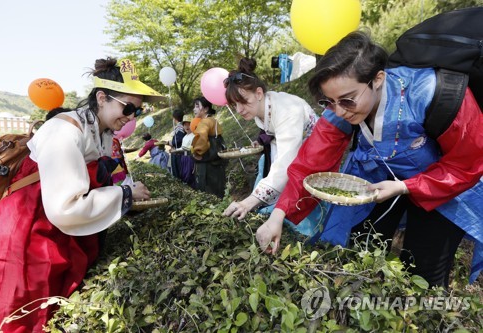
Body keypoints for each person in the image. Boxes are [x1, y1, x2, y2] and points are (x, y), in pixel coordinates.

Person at [255, 31, 483, 288]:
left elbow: (468, 162)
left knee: (421, 269)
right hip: (382, 179)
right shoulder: (339, 110)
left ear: (378, 79)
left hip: (444, 184)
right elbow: (310, 162)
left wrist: (405, 186)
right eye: (329, 101)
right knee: (361, 245)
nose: (339, 110)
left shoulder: (432, 94)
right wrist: (277, 215)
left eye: (348, 100)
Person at [0, 57, 161, 332]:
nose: (130, 117)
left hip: (50, 232)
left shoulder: (99, 131)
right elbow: (65, 206)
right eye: (127, 108)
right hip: (25, 232)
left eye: (137, 111)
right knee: (17, 312)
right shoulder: (64, 131)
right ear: (102, 98)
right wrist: (125, 194)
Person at [222, 58, 320, 236]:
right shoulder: (262, 108)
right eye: (234, 104)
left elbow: (285, 164)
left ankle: (311, 237)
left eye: (243, 101)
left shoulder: (286, 110)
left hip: (314, 155)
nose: (239, 109)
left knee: (304, 203)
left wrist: (249, 201)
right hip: (293, 151)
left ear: (258, 93)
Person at [191, 96, 227, 198]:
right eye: (194, 106)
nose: (194, 109)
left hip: (208, 162)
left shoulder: (205, 122)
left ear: (206, 109)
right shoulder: (213, 120)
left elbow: (201, 139)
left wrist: (197, 153)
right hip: (217, 159)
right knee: (218, 188)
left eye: (197, 106)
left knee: (207, 190)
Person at [178, 114, 196, 188]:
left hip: (190, 158)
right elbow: (182, 147)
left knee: (190, 176)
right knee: (184, 175)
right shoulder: (184, 137)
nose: (187, 127)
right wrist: (175, 150)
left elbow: (193, 148)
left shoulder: (194, 136)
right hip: (184, 158)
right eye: (185, 125)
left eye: (189, 124)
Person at [168, 109, 186, 178]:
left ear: (174, 119)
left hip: (178, 152)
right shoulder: (182, 126)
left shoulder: (179, 127)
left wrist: (169, 143)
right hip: (179, 151)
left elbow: (178, 140)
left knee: (178, 171)